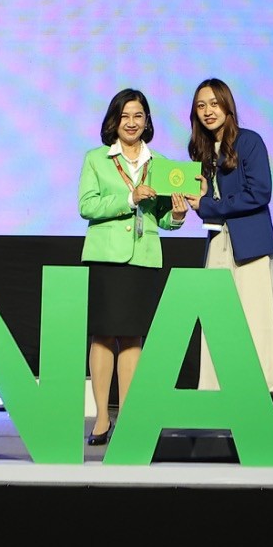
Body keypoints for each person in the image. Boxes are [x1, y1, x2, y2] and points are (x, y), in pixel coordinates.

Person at [77, 87, 187, 446]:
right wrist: (129, 197)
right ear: (114, 120)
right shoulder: (96, 159)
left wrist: (177, 215)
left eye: (138, 115)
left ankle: (128, 415)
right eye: (124, 116)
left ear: (147, 121)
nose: (131, 122)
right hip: (106, 256)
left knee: (133, 336)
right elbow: (87, 206)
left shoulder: (162, 164)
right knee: (103, 334)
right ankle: (101, 418)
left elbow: (164, 219)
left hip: (143, 257)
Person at [183, 78, 273, 409]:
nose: (208, 111)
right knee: (215, 322)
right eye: (201, 106)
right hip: (217, 242)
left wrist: (209, 206)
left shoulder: (249, 141)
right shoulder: (199, 150)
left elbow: (260, 193)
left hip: (250, 245)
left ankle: (261, 399)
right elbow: (205, 200)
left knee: (255, 322)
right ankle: (214, 398)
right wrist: (196, 201)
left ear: (228, 105)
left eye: (214, 103)